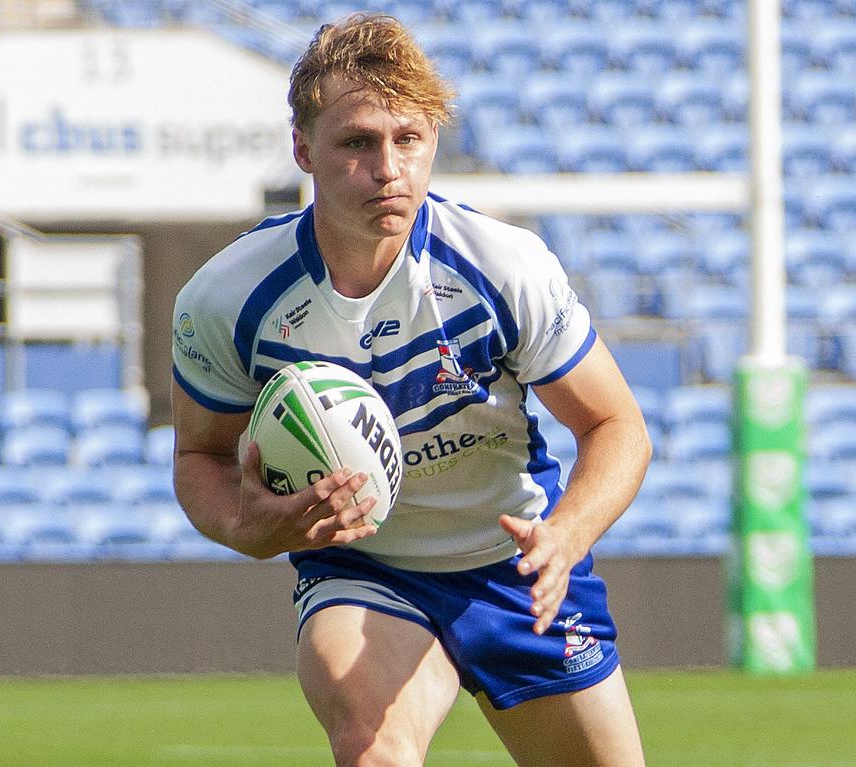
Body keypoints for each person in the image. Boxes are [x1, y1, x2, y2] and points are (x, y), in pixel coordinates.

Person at [171, 13, 651, 767]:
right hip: (366, 567)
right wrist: (243, 526)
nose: (387, 168)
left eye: (407, 139)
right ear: (303, 148)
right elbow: (200, 455)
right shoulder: (228, 297)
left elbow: (616, 424)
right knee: (373, 749)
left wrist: (569, 533)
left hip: (515, 564)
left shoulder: (503, 265)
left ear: (433, 142)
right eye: (357, 141)